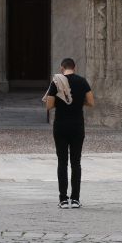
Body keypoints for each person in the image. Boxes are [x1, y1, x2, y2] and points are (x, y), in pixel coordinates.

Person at [42, 56, 94, 208]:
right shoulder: (82, 81)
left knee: (62, 162)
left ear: (61, 68)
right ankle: (76, 199)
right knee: (76, 162)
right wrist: (78, 102)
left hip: (61, 126)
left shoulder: (56, 82)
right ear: (74, 67)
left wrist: (60, 101)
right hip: (77, 126)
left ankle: (63, 199)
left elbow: (49, 106)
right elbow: (91, 102)